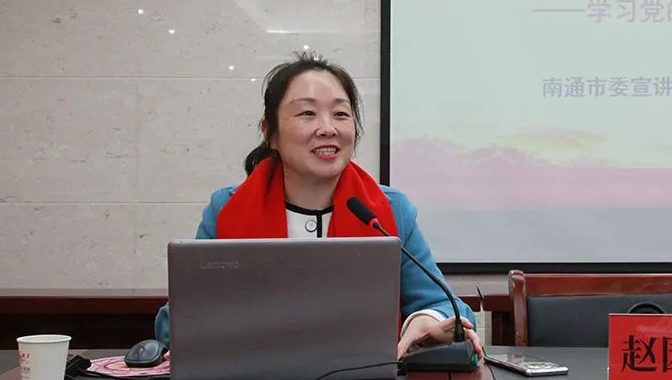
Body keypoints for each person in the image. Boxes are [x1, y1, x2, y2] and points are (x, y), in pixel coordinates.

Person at [154, 52, 482, 361]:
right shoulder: (226, 209)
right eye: (307, 113)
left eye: (341, 114)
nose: (328, 128)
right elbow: (174, 322)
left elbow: (446, 306)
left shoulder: (389, 210)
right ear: (270, 133)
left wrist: (426, 319)